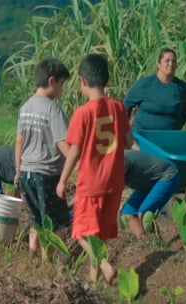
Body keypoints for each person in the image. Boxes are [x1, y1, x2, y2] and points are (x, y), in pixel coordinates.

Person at [56, 54, 135, 284]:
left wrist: (62, 181)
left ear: (82, 81)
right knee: (98, 236)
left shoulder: (82, 113)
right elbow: (129, 142)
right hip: (114, 182)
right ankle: (94, 283)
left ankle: (105, 267)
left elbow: (74, 151)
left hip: (91, 183)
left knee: (81, 232)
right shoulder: (118, 107)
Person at [14, 59, 71, 261]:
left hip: (27, 172)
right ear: (52, 81)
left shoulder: (25, 107)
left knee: (36, 219)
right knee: (50, 224)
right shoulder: (52, 109)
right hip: (46, 174)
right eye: (61, 84)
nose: (61, 90)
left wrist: (18, 171)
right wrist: (79, 165)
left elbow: (19, 142)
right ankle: (48, 264)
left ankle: (32, 257)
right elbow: (63, 143)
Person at [123, 48, 186, 131]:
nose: (171, 64)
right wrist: (125, 131)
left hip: (169, 137)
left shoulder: (182, 88)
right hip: (143, 136)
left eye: (173, 61)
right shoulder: (144, 84)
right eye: (167, 61)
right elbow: (126, 106)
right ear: (158, 64)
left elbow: (185, 112)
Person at [122, 149, 180, 238]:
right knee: (127, 213)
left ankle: (156, 241)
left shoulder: (121, 159)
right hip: (147, 184)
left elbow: (117, 186)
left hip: (166, 177)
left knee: (144, 213)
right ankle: (143, 241)